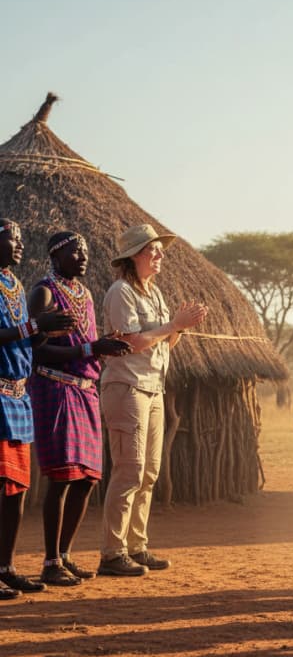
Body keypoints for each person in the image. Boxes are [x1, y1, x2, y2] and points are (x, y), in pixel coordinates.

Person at [98, 224, 208, 576]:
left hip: (153, 387)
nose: (159, 256)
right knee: (128, 470)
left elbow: (164, 343)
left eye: (160, 250)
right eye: (152, 250)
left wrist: (178, 327)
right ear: (134, 256)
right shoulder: (121, 293)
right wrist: (172, 324)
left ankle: (137, 546)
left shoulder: (154, 295)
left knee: (149, 472)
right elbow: (131, 342)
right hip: (126, 386)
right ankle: (112, 553)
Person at [28, 231, 132, 586]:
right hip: (55, 388)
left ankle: (67, 555)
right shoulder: (43, 291)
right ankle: (50, 561)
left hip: (86, 391)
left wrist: (103, 346)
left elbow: (85, 344)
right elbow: (37, 350)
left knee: (87, 480)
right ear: (56, 256)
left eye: (86, 251)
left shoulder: (85, 294)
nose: (84, 256)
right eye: (76, 251)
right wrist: (89, 350)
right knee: (61, 478)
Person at [0, 219, 75, 598]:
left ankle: (6, 567)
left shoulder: (13, 285)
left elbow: (25, 336)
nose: (18, 245)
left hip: (18, 395)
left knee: (17, 489)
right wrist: (34, 326)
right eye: (10, 238)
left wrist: (46, 330)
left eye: (19, 239)